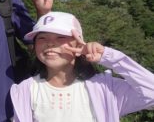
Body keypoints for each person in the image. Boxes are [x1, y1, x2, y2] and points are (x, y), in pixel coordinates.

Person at [10, 11, 154, 122]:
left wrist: (108, 57)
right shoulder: (24, 90)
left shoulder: (105, 87)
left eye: (61, 37)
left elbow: (151, 93)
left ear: (79, 43)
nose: (50, 43)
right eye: (42, 38)